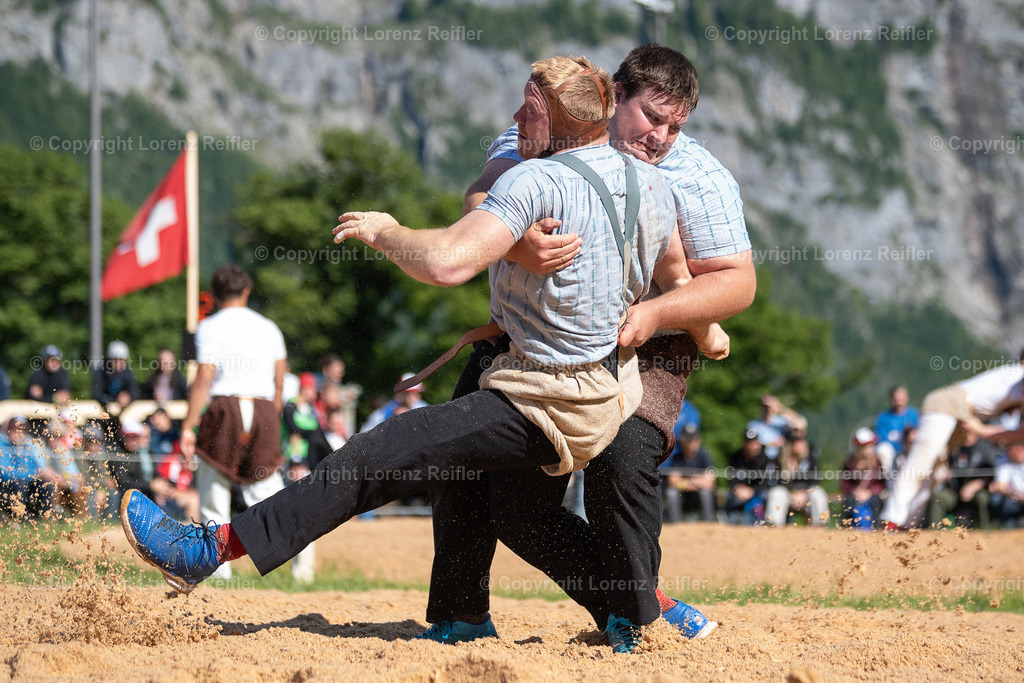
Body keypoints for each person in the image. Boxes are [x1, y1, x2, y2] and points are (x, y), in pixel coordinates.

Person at [120, 55, 725, 653]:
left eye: (529, 107)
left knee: (390, 447)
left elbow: (446, 262)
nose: (516, 117)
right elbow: (675, 271)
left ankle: (209, 549)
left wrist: (385, 231)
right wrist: (707, 334)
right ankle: (623, 614)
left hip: (551, 398)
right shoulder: (650, 185)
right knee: (486, 490)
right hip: (595, 388)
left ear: (562, 117)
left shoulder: (536, 180)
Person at [422, 44, 752, 649]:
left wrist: (656, 311)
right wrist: (519, 243)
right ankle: (464, 615)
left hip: (648, 345)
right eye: (653, 118)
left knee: (622, 463)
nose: (662, 138)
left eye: (677, 126)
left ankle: (635, 615)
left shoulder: (698, 175)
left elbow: (736, 281)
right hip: (537, 337)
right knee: (471, 461)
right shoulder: (547, 131)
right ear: (614, 96)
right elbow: (479, 200)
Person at [176, 263, 314, 584]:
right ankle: (302, 568)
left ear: (213, 295)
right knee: (268, 491)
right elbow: (280, 380)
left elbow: (205, 377)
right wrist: (271, 418)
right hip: (265, 407)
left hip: (225, 407)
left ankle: (219, 572)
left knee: (214, 493)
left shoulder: (209, 327)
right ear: (247, 291)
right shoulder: (269, 327)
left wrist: (188, 425)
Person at [882, 353, 1024, 530]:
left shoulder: (1016, 376)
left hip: (962, 412)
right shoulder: (1018, 376)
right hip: (948, 405)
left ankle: (906, 524)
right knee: (921, 463)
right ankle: (891, 521)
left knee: (933, 472)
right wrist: (981, 430)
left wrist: (981, 430)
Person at [928, 431, 998, 529]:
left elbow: (991, 473)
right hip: (955, 491)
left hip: (977, 490)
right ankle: (934, 531)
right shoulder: (956, 448)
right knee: (939, 498)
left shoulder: (985, 448)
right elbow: (947, 466)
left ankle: (985, 530)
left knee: (982, 498)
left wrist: (975, 486)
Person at [765, 435, 828, 527]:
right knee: (777, 493)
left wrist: (804, 493)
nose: (798, 445)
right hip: (788, 496)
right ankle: (774, 525)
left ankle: (819, 525)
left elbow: (816, 480)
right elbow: (775, 482)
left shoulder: (811, 458)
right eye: (795, 442)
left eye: (801, 442)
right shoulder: (781, 459)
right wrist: (788, 473)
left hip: (806, 496)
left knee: (818, 493)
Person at [659, 423, 716, 523]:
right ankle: (676, 524)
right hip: (683, 496)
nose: (692, 442)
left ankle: (707, 523)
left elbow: (709, 483)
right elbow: (672, 482)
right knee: (672, 492)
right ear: (683, 441)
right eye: (689, 440)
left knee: (705, 493)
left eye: (695, 439)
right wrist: (694, 482)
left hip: (698, 495)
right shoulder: (677, 458)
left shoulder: (705, 456)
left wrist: (685, 482)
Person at [841, 428, 886, 529]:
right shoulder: (850, 463)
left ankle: (876, 527)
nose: (871, 448)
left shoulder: (877, 463)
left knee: (876, 501)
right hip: (855, 495)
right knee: (848, 501)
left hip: (871, 495)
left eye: (872, 445)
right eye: (867, 445)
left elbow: (881, 483)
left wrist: (870, 491)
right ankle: (845, 526)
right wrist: (854, 491)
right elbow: (845, 483)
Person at [725, 429, 770, 524]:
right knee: (730, 497)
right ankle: (730, 522)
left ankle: (764, 523)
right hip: (740, 493)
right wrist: (737, 488)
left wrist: (752, 491)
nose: (754, 446)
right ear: (744, 444)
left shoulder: (764, 458)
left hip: (758, 492)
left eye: (756, 442)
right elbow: (731, 478)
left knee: (766, 495)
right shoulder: (735, 457)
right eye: (751, 443)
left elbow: (766, 482)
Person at [359, 374, 429, 433]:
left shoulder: (424, 408)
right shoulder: (382, 413)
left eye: (418, 393)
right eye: (412, 393)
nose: (417, 397)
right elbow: (365, 435)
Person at [746, 394, 806, 460]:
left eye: (769, 407)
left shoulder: (781, 422)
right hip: (760, 460)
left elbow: (800, 423)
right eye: (765, 406)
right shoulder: (754, 425)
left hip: (780, 460)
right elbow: (750, 446)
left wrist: (780, 409)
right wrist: (770, 444)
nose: (767, 409)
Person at [874, 385, 919, 473]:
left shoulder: (915, 415)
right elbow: (881, 438)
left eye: (901, 400)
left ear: (907, 398)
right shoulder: (883, 417)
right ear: (891, 400)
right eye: (896, 400)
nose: (898, 403)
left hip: (910, 448)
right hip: (892, 451)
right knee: (882, 450)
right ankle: (888, 479)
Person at [91, 340, 140, 408]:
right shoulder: (101, 372)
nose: (118, 363)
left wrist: (128, 397)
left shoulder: (127, 373)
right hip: (103, 410)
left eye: (121, 360)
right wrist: (115, 399)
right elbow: (96, 395)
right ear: (109, 359)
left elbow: (135, 393)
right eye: (115, 360)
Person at [988, 441, 1024, 527]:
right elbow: (999, 485)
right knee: (998, 501)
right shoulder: (1004, 460)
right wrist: (1013, 493)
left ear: (1019, 449)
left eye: (1009, 449)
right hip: (1014, 498)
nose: (1007, 452)